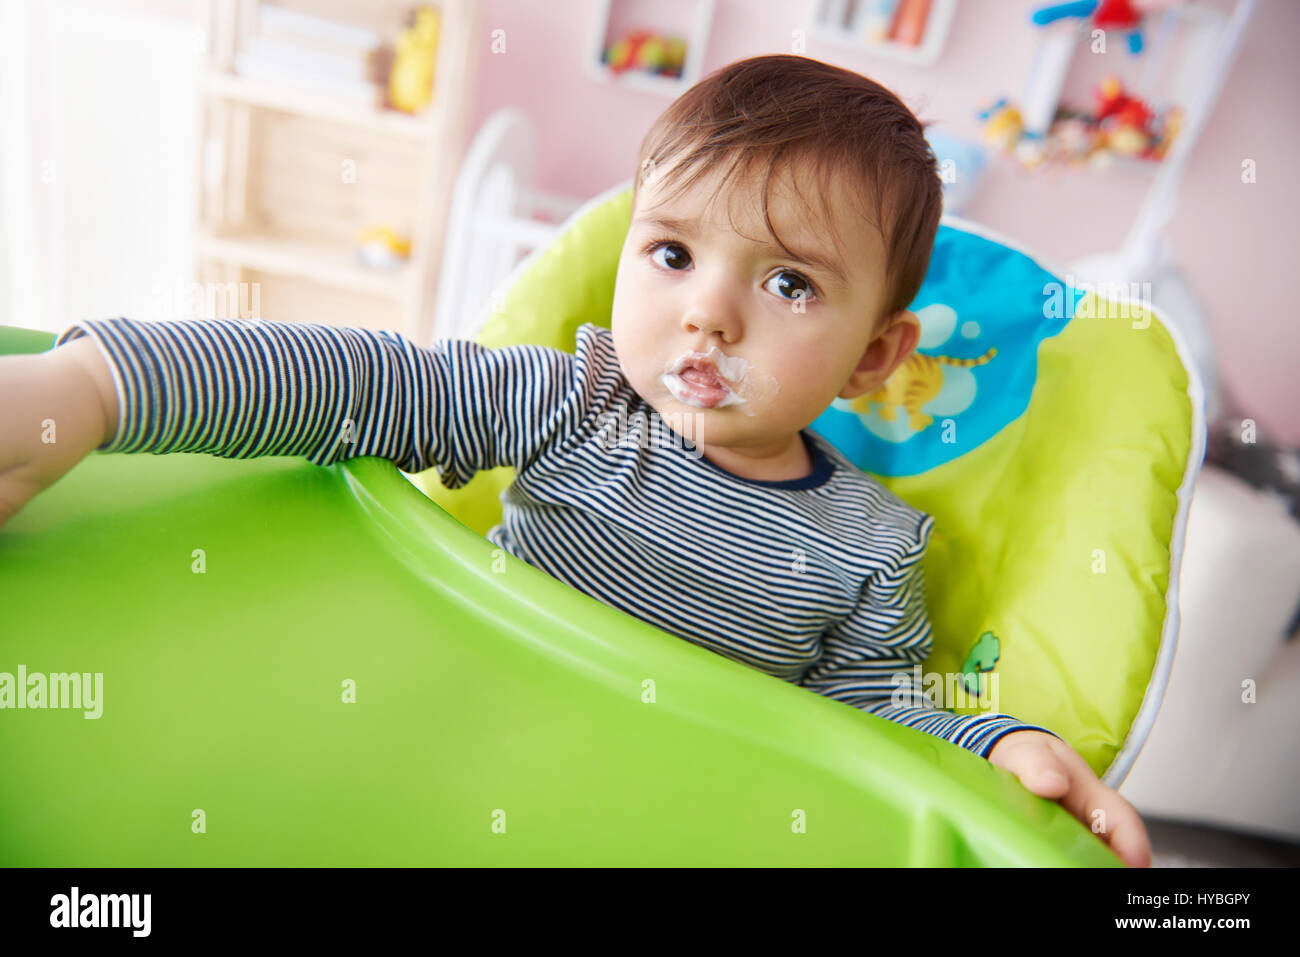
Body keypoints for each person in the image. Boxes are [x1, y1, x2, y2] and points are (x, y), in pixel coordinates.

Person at [0, 54, 1150, 866]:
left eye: (788, 283)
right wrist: (94, 390)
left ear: (872, 357)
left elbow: (876, 716)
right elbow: (351, 383)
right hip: (438, 753)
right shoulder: (571, 405)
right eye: (669, 253)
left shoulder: (865, 544)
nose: (707, 316)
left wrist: (1000, 743)